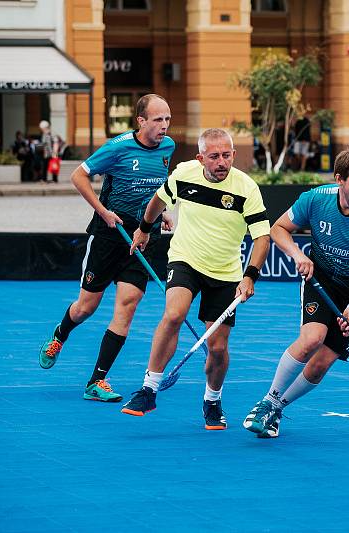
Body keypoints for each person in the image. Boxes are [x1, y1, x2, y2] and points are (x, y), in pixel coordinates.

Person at [122, 128, 271, 430]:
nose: (221, 162)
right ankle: (149, 389)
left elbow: (262, 238)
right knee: (174, 313)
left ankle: (212, 399)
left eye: (226, 155)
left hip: (226, 272)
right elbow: (157, 200)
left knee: (217, 347)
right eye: (214, 156)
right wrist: (144, 229)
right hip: (185, 258)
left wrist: (250, 276)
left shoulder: (247, 188)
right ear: (200, 157)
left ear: (233, 155)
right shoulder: (184, 174)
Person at [243, 147, 349, 438]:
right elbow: (278, 229)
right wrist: (298, 255)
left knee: (320, 365)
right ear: (340, 179)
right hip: (321, 279)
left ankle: (277, 408)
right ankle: (269, 400)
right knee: (312, 338)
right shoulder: (315, 199)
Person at [38, 94, 175, 403]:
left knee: (128, 304)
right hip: (109, 234)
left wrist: (159, 212)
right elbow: (78, 175)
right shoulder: (118, 148)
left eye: (167, 119)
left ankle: (97, 381)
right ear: (141, 121)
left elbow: (159, 187)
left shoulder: (168, 148)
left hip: (143, 236)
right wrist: (103, 210)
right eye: (158, 119)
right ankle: (60, 334)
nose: (164, 126)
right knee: (86, 307)